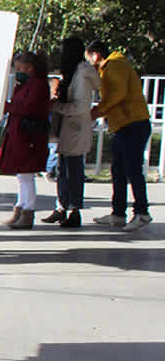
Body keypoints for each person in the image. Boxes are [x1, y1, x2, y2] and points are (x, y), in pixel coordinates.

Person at [86, 40, 153, 231]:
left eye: (88, 57)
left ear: (96, 55)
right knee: (118, 171)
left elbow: (118, 94)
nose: (88, 61)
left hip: (133, 124)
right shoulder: (107, 69)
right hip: (122, 126)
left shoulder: (114, 65)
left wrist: (99, 110)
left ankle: (142, 212)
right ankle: (118, 213)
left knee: (132, 170)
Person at [44, 37, 100, 228]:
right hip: (66, 127)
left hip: (75, 126)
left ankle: (74, 210)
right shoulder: (73, 72)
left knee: (73, 170)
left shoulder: (82, 73)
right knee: (62, 170)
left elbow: (80, 106)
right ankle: (61, 207)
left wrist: (57, 106)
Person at [0, 51, 51, 229]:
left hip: (29, 134)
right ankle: (21, 208)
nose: (18, 71)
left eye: (21, 68)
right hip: (20, 132)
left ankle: (28, 210)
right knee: (21, 174)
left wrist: (8, 106)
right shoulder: (28, 84)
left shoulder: (38, 84)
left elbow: (29, 107)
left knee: (26, 173)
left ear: (30, 68)